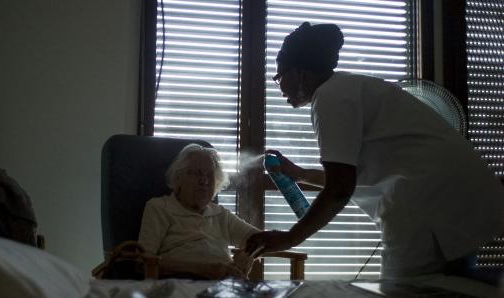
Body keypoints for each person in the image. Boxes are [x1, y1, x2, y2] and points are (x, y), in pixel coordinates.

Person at [245, 22, 504, 284]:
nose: (279, 86)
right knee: (451, 285)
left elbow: (339, 188)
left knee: (405, 289)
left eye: (279, 76)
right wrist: (298, 174)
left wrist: (290, 238)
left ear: (299, 73)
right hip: (454, 198)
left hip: (428, 203)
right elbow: (349, 177)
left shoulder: (330, 97)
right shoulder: (347, 88)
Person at [138, 144, 260, 279]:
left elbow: (260, 240)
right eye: (196, 173)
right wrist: (202, 270)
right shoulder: (159, 208)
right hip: (179, 287)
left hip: (223, 287)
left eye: (210, 174)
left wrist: (247, 256)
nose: (204, 180)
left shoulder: (221, 214)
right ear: (178, 178)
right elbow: (144, 262)